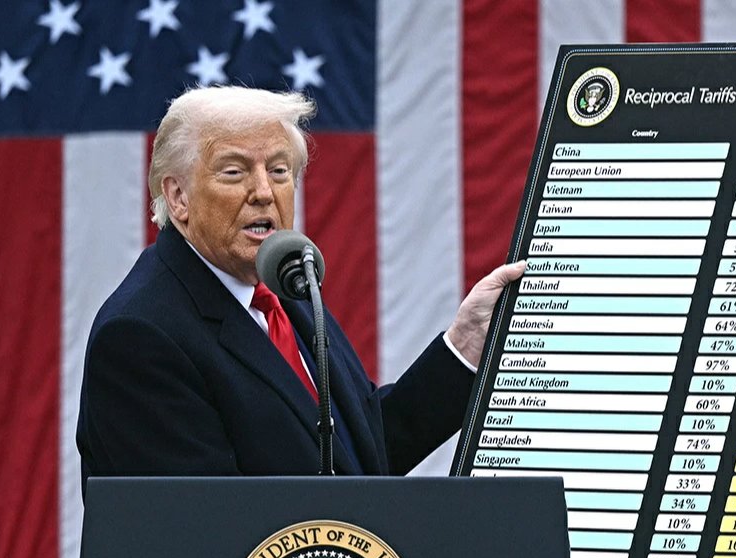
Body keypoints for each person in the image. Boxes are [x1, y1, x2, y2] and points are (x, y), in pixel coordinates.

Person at [76, 86, 523, 491]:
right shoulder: (140, 336)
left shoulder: (283, 287)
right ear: (178, 198)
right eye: (234, 172)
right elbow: (205, 530)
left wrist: (463, 346)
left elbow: (356, 455)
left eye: (278, 170)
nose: (263, 191)